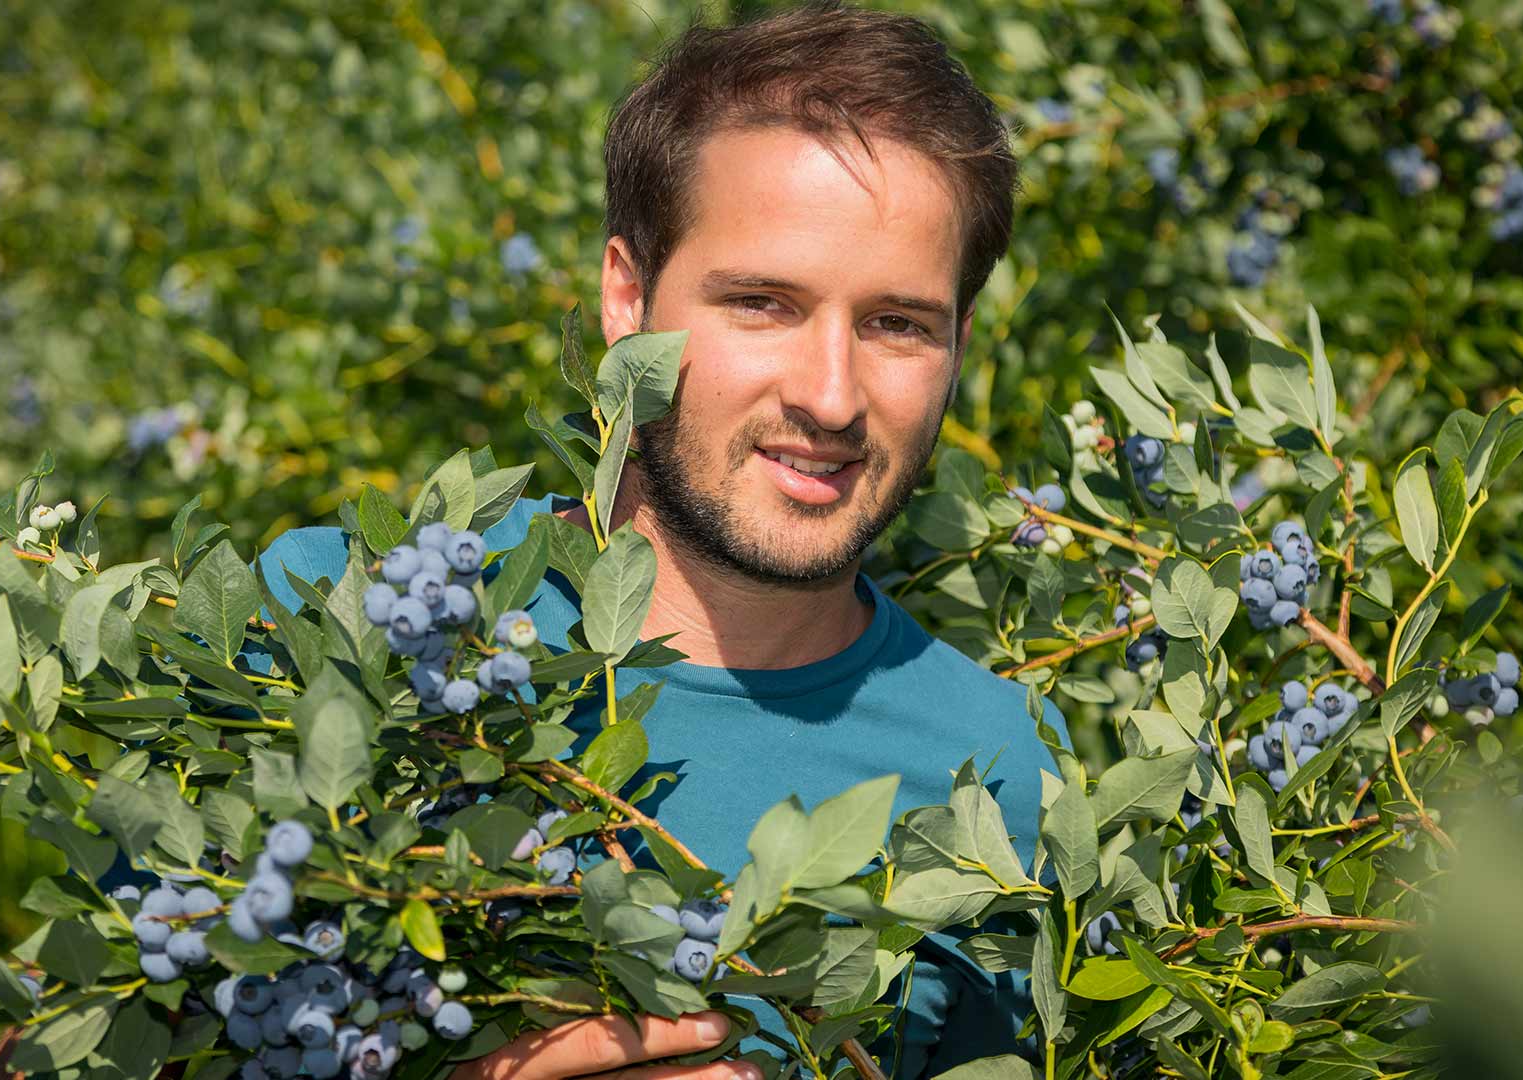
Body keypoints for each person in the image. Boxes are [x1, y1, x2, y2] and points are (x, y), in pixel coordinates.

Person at [259, 3, 1072, 1076]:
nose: (831, 397)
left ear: (959, 344)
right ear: (627, 298)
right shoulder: (335, 622)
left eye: (897, 324)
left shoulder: (1006, 771)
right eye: (763, 305)